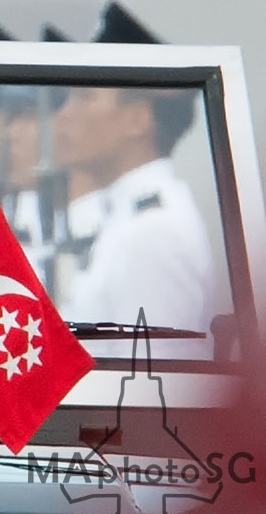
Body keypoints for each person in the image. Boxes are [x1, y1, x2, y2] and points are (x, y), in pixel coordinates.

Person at [50, 84, 214, 353]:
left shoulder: (154, 232)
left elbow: (154, 377)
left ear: (138, 119)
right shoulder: (125, 216)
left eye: (84, 98)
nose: (64, 115)